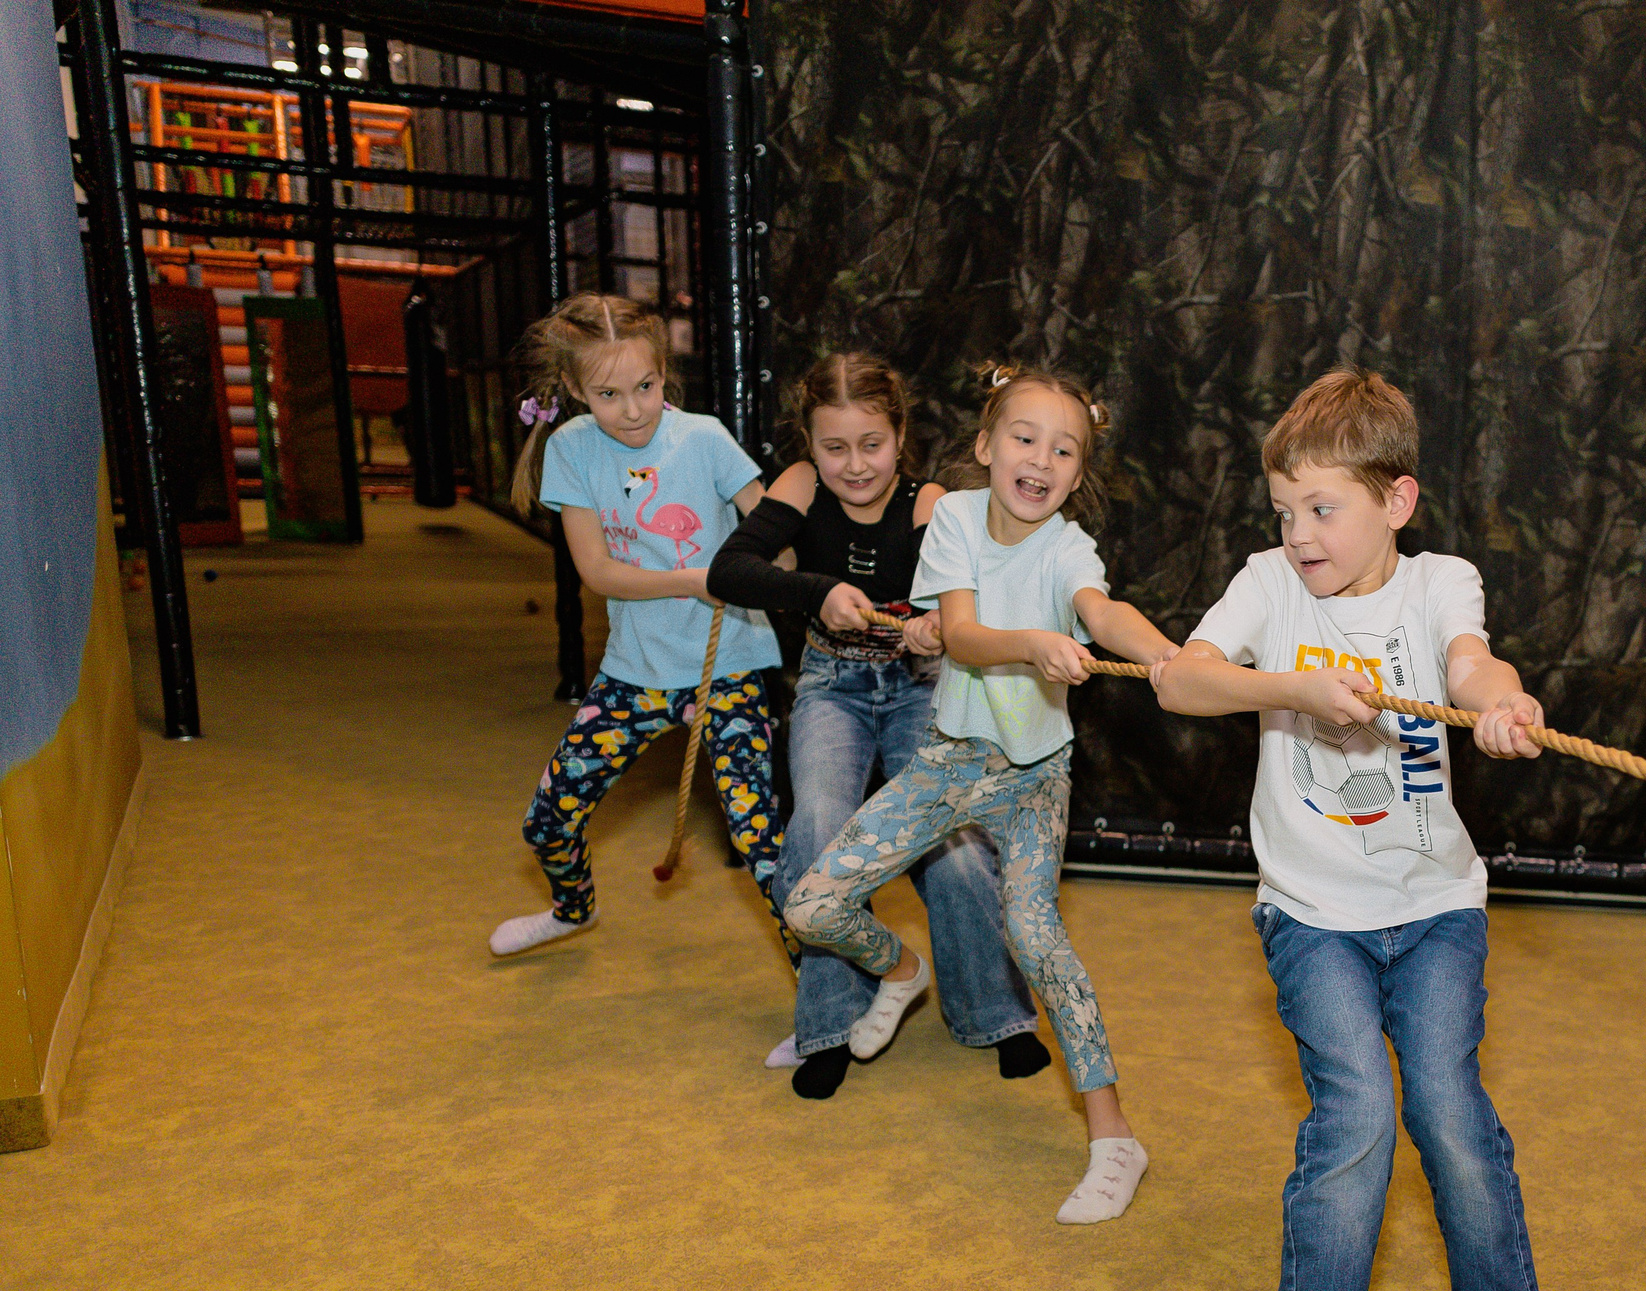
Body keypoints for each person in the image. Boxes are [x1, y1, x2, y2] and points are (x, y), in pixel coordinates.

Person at [1155, 368, 1560, 1291]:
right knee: (1355, 1129)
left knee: (1451, 1119)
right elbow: (1181, 677)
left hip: (1436, 911)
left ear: (1397, 501)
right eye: (1285, 509)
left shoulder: (1440, 583)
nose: (1299, 533)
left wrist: (1503, 700)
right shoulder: (1268, 584)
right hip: (1310, 916)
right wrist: (1293, 686)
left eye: (1323, 508)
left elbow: (1472, 663)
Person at [780, 364, 1179, 1224]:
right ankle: (904, 972)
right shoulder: (955, 518)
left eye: (1064, 450)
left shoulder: (1068, 547)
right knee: (811, 904)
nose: (1042, 460)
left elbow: (1103, 613)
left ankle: (1114, 1136)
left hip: (1033, 779)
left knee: (1035, 935)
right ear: (987, 446)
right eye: (1025, 439)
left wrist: (1165, 656)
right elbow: (959, 634)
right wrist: (1033, 643)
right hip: (946, 762)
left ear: (1079, 471)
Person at [705, 353, 1052, 1100]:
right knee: (817, 831)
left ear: (900, 437)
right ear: (809, 443)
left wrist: (936, 623)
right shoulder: (800, 485)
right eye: (834, 447)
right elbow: (727, 571)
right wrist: (818, 591)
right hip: (831, 684)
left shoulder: (929, 502)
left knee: (955, 841)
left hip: (920, 686)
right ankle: (832, 1022)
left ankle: (997, 1015)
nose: (855, 464)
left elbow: (967, 593)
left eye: (872, 444)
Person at [486, 295, 785, 960]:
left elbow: (773, 535)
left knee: (761, 844)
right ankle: (573, 908)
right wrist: (694, 578)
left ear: (664, 373)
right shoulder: (571, 449)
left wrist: (784, 561)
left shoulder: (705, 438)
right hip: (635, 673)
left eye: (646, 387)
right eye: (609, 394)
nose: (632, 410)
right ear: (574, 389)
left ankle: (828, 992)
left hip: (728, 667)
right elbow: (598, 571)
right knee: (548, 821)